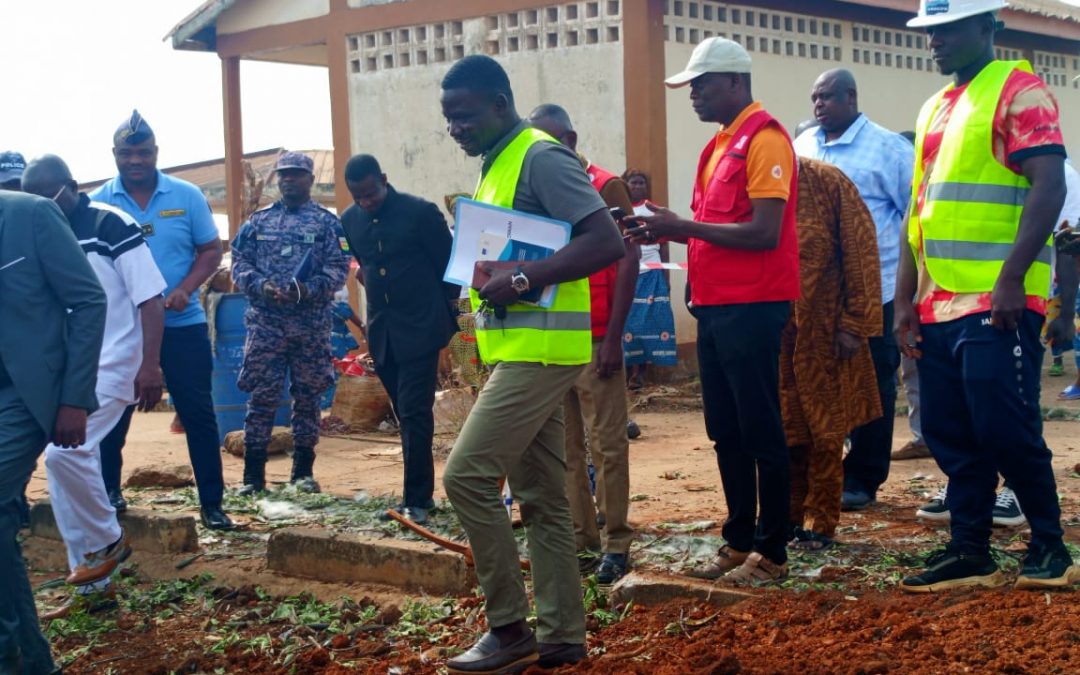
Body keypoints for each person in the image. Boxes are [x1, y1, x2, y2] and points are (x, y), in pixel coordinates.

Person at [439, 54, 623, 673]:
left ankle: (509, 629)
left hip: (540, 354)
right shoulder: (497, 163)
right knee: (543, 498)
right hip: (518, 352)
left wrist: (523, 277)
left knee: (466, 476)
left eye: (465, 116)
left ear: (500, 103)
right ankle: (563, 638)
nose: (456, 129)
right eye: (448, 119)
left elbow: (605, 240)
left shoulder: (540, 156)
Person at [896, 0, 1077, 592]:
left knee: (1005, 426)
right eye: (930, 31)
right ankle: (970, 549)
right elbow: (918, 214)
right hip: (937, 302)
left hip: (996, 301)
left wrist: (1011, 278)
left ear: (986, 26)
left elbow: (1049, 187)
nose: (935, 41)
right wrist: (904, 300)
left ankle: (1049, 546)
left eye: (947, 29)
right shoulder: (935, 107)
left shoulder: (1020, 91)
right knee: (949, 430)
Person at [631, 37, 799, 584]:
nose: (693, 95)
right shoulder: (718, 146)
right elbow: (715, 231)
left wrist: (682, 226)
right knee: (726, 429)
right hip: (715, 307)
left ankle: (772, 552)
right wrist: (667, 227)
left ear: (734, 82)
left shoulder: (765, 141)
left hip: (752, 307)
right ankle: (738, 538)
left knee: (760, 428)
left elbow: (764, 232)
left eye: (700, 84)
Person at [22, 155, 166, 617]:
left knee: (65, 454)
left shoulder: (110, 223)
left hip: (115, 362)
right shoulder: (39, 229)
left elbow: (150, 298)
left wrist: (150, 366)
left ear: (72, 186)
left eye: (50, 197)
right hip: (71, 367)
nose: (44, 207)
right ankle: (91, 587)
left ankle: (108, 539)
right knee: (62, 472)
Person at [90, 110, 232, 530]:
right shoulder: (98, 203)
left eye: (144, 152)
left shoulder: (186, 195)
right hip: (123, 331)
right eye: (127, 153)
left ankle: (212, 503)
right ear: (114, 154)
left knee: (198, 414)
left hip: (182, 325)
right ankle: (109, 495)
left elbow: (210, 250)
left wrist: (186, 287)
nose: (136, 160)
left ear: (156, 152)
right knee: (112, 413)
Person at [527, 103, 640, 584]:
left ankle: (616, 542)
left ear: (570, 141)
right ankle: (581, 539)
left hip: (597, 340)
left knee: (607, 445)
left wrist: (614, 337)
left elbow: (629, 258)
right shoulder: (538, 189)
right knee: (567, 449)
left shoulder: (606, 186)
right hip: (556, 340)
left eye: (549, 142)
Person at [793, 68, 914, 511]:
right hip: (813, 294)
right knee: (816, 377)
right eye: (814, 98)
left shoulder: (889, 149)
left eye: (826, 97)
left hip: (875, 289)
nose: (818, 105)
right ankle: (820, 470)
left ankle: (863, 476)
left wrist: (910, 290)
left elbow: (913, 218)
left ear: (851, 96)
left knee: (873, 381)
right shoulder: (802, 146)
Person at [0, 190, 106, 675]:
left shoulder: (30, 214)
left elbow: (88, 301)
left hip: (28, 395)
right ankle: (32, 663)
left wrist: (73, 398)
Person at [340, 153, 459, 524]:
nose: (366, 202)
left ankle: (417, 500)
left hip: (420, 326)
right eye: (358, 197)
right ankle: (416, 497)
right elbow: (364, 265)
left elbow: (449, 268)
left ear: (384, 179)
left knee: (413, 411)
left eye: (371, 194)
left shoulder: (420, 212)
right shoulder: (349, 220)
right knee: (403, 412)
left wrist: (442, 316)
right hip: (383, 330)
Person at [230, 152, 349, 495]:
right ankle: (253, 477)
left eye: (296, 174)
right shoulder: (258, 222)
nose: (289, 180)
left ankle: (302, 473)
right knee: (261, 397)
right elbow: (239, 262)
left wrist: (308, 290)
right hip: (266, 325)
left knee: (309, 398)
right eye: (283, 175)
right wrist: (262, 286)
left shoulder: (327, 224)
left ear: (310, 179)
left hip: (310, 326)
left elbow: (339, 267)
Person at [784, 157, 883, 551]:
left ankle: (820, 521)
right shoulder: (749, 180)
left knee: (825, 430)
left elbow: (861, 250)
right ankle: (787, 516)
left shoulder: (826, 182)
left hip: (823, 331)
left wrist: (854, 322)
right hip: (772, 332)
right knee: (785, 429)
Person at [622, 169, 678, 389]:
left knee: (649, 323)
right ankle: (628, 370)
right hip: (628, 275)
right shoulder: (620, 211)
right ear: (625, 185)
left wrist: (666, 276)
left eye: (641, 183)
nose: (637, 186)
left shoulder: (653, 211)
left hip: (652, 275)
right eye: (633, 183)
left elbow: (663, 246)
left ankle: (640, 373)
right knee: (628, 323)